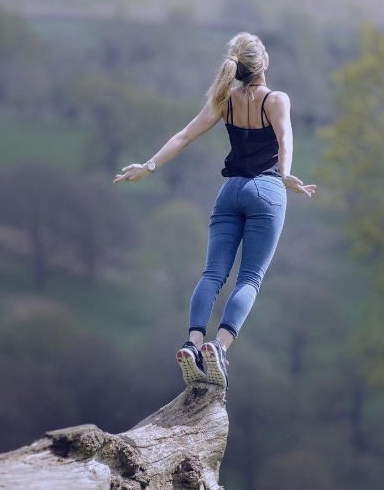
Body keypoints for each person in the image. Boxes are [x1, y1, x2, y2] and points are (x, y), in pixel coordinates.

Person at [113, 32, 316, 389]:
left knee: (212, 274)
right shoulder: (276, 99)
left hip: (230, 193)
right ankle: (218, 348)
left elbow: (184, 136)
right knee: (249, 278)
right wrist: (285, 175)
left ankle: (191, 344)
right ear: (263, 63)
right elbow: (286, 138)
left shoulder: (226, 100)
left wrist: (149, 167)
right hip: (266, 192)